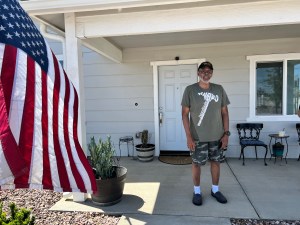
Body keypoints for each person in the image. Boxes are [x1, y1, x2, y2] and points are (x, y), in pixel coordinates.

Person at [181, 61, 230, 206]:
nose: (205, 74)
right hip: (197, 137)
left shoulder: (219, 89)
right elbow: (184, 114)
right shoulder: (190, 90)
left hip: (217, 136)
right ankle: (197, 192)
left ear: (212, 73)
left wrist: (226, 134)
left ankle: (215, 190)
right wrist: (189, 136)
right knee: (196, 164)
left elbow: (225, 113)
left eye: (209, 71)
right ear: (198, 73)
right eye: (202, 71)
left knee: (216, 163)